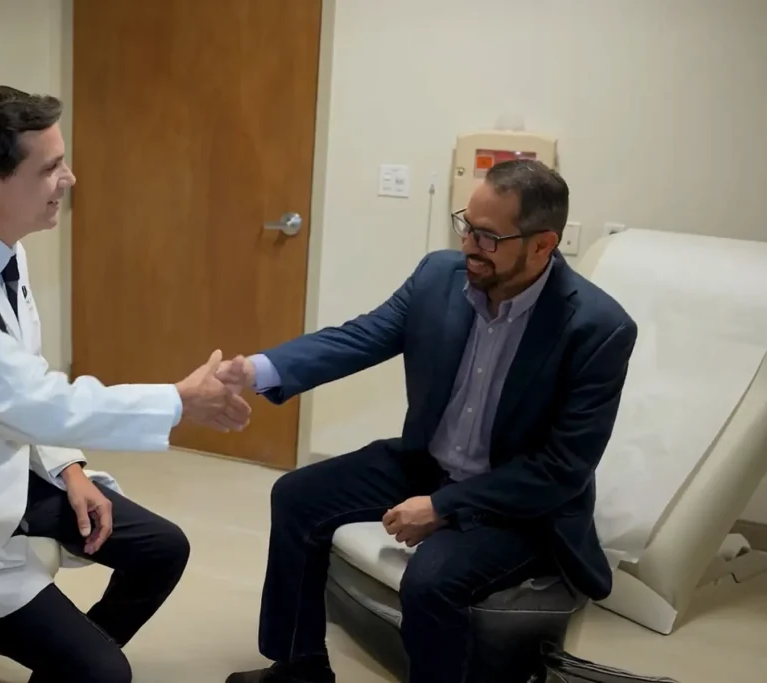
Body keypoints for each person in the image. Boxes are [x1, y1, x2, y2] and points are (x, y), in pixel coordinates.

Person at [0, 85, 251, 683]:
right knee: (106, 674)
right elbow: (33, 401)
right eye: (51, 166)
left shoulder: (2, 251)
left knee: (163, 550)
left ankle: (66, 666)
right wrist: (179, 401)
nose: (70, 178)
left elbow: (24, 381)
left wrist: (70, 470)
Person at [220, 159, 638, 683]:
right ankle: (298, 667)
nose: (468, 247)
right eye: (467, 225)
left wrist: (443, 507)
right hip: (428, 462)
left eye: (487, 238)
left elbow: (562, 469)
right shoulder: (438, 277)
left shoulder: (597, 328)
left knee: (431, 579)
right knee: (298, 496)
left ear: (541, 245)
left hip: (520, 504)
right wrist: (255, 371)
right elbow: (360, 337)